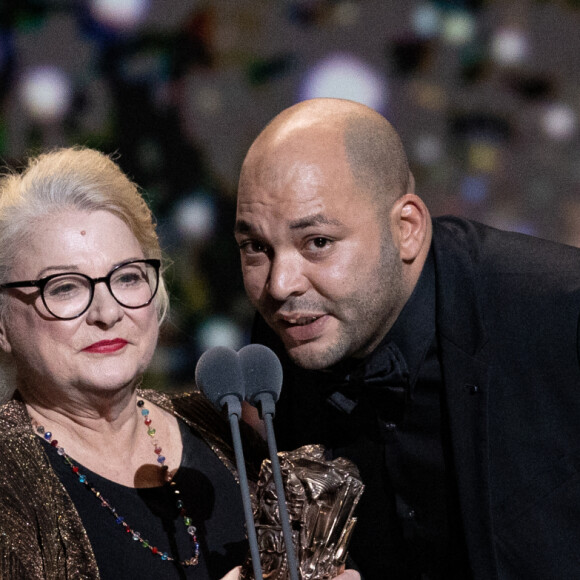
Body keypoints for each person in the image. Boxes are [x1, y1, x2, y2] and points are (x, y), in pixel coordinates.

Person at [235, 98, 580, 579]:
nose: (279, 284)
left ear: (407, 229)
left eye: (317, 242)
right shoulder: (282, 344)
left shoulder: (558, 310)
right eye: (256, 248)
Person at [0, 147, 359, 580]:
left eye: (128, 277)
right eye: (64, 288)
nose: (107, 312)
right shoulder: (9, 481)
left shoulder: (218, 426)